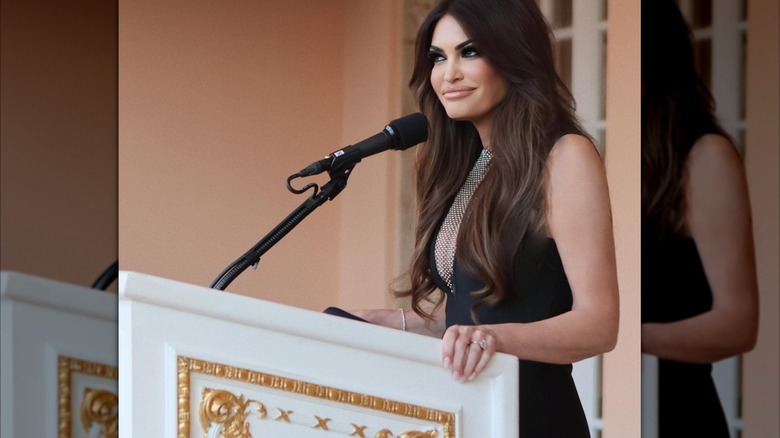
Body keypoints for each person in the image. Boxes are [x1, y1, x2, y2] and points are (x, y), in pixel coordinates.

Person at [351, 0, 619, 436]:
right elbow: (482, 315)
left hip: (533, 419)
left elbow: (599, 324)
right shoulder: (472, 164)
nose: (448, 73)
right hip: (471, 416)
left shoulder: (564, 156)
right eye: (438, 57)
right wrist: (392, 321)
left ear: (514, 56)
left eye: (469, 52)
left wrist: (495, 341)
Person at [641, 1, 759, 436]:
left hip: (680, 417)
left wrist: (620, 336)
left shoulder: (706, 155)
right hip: (623, 408)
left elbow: (739, 324)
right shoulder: (622, 162)